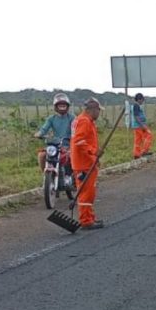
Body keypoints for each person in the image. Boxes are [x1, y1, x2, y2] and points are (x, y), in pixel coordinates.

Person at [71, 97, 105, 230]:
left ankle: (89, 217)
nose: (99, 113)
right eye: (98, 110)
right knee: (86, 193)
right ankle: (86, 220)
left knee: (89, 192)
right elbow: (79, 142)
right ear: (92, 109)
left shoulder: (84, 120)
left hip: (87, 161)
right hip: (83, 163)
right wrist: (94, 152)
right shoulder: (84, 121)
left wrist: (95, 157)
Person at [35, 93, 75, 172]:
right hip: (56, 144)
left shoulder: (72, 118)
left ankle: (73, 175)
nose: (62, 107)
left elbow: (76, 128)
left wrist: (74, 137)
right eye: (60, 105)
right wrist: (39, 133)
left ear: (67, 106)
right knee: (42, 155)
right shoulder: (51, 118)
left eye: (64, 105)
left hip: (69, 144)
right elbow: (44, 129)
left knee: (73, 157)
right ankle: (46, 175)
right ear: (56, 107)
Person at [130, 93, 153, 159]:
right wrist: (142, 125)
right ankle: (144, 151)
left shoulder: (134, 106)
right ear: (139, 99)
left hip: (136, 126)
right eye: (142, 100)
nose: (143, 102)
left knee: (138, 140)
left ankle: (136, 154)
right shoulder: (136, 106)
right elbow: (136, 116)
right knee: (149, 135)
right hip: (139, 125)